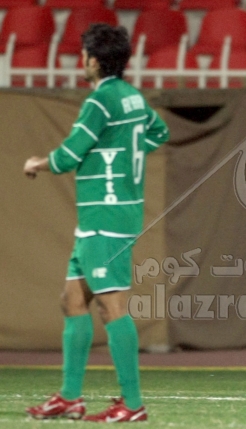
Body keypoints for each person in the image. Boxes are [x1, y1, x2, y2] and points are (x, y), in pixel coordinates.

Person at [24, 24, 169, 422]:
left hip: (106, 215)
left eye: (84, 54)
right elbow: (160, 131)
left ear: (92, 60)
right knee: (72, 299)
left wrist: (37, 163)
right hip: (105, 215)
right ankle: (70, 397)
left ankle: (133, 404)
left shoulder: (100, 101)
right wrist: (122, 155)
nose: (82, 60)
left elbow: (69, 155)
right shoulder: (132, 97)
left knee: (111, 305)